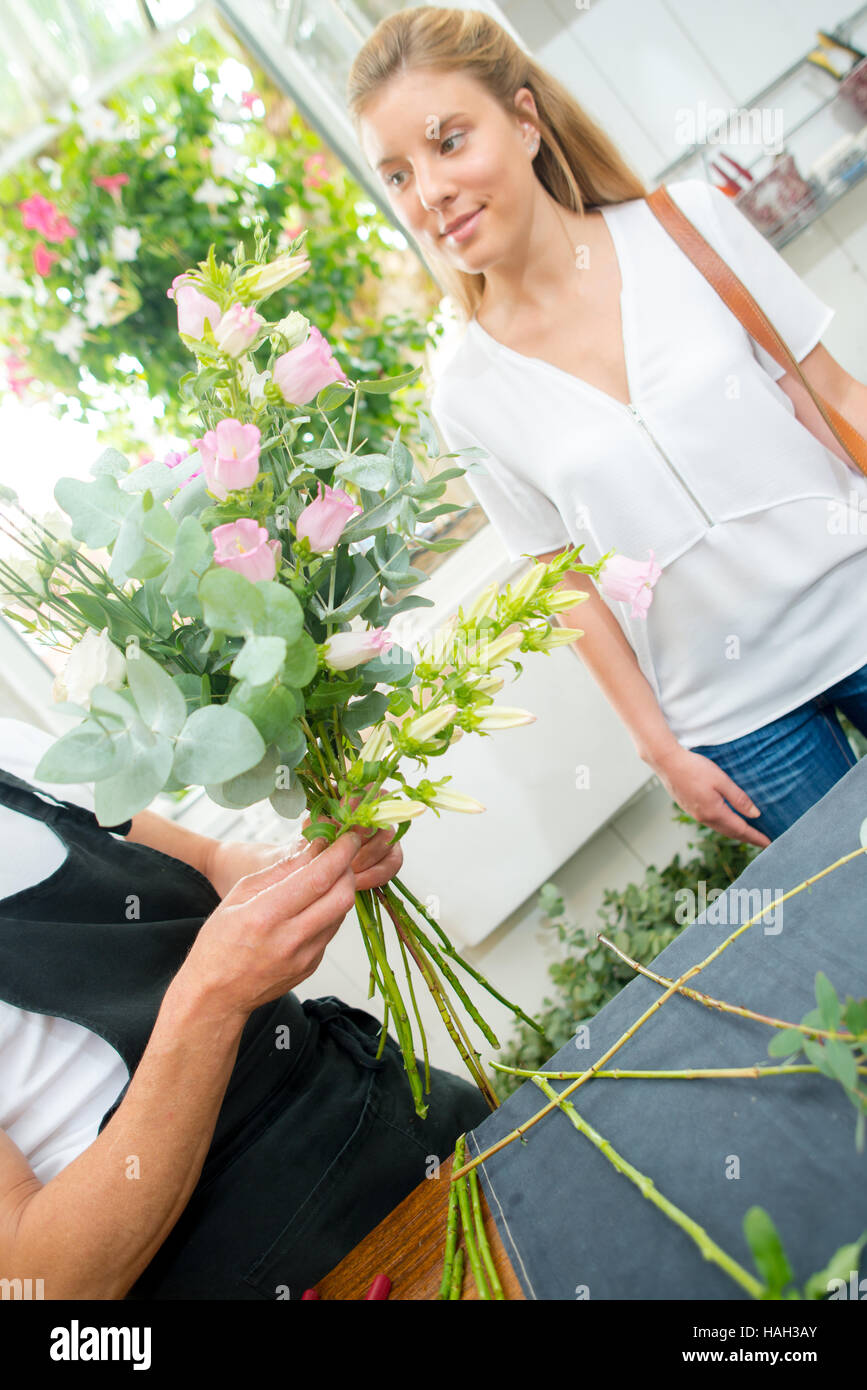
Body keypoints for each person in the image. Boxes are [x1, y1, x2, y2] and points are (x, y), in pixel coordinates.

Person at [346, 6, 867, 847]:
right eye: (397, 174)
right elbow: (566, 583)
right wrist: (658, 748)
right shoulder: (467, 391)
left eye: (448, 142)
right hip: (737, 718)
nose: (429, 190)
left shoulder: (686, 225)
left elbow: (833, 395)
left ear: (524, 121)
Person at [0, 717, 489, 1300]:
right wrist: (211, 1002)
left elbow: (209, 862)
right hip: (244, 1252)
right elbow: (42, 1282)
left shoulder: (17, 746)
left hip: (376, 1100)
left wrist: (313, 859)